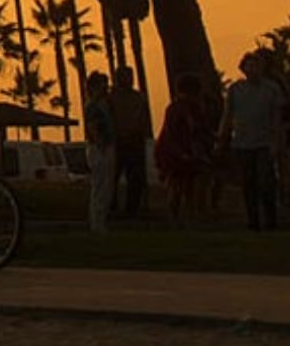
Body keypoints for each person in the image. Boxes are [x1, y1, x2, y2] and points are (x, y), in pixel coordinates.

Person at [220, 50, 289, 230]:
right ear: (243, 69)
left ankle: (271, 220)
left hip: (264, 143)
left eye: (257, 65)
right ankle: (253, 221)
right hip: (242, 143)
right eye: (250, 66)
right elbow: (227, 116)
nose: (254, 69)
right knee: (248, 184)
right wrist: (222, 137)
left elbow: (277, 118)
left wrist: (276, 141)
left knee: (266, 183)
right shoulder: (235, 89)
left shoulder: (272, 89)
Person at [154, 70, 215, 223]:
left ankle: (187, 217)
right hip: (177, 153)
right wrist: (182, 153)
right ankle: (180, 217)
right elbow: (174, 134)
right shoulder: (179, 109)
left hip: (182, 152)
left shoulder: (188, 108)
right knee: (178, 186)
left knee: (186, 185)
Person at [110, 65, 152, 219]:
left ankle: (132, 209)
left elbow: (143, 118)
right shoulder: (111, 98)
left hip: (135, 140)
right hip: (117, 141)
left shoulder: (139, 97)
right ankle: (112, 206)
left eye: (130, 76)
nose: (129, 80)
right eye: (126, 76)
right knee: (113, 176)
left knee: (136, 177)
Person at [82, 70, 116, 235]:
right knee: (100, 186)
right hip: (99, 148)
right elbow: (93, 128)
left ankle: (100, 221)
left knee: (105, 186)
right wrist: (102, 146)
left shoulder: (103, 105)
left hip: (105, 147)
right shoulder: (93, 107)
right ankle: (96, 223)